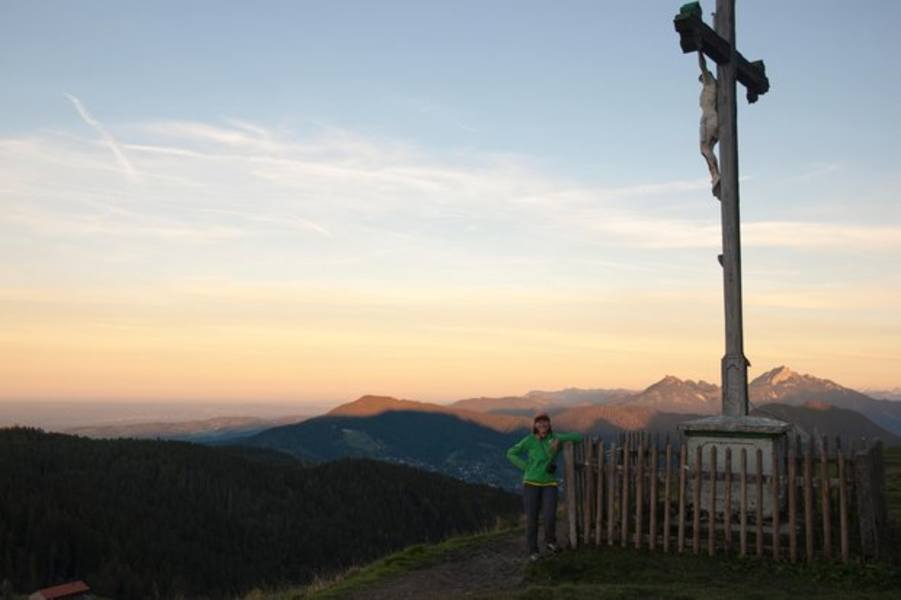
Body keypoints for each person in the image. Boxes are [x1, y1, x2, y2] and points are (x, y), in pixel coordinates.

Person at [506, 413, 582, 561]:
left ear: (549, 424)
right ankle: (532, 551)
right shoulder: (529, 440)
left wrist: (559, 439)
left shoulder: (555, 438)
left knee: (549, 516)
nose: (542, 425)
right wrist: (526, 466)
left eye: (545, 422)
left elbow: (578, 437)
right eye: (539, 423)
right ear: (535, 425)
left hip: (549, 483)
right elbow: (511, 453)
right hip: (531, 484)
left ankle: (550, 542)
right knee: (532, 518)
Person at [698, 51, 721, 199]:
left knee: (704, 148)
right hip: (714, 118)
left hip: (708, 118)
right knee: (708, 149)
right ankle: (715, 175)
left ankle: (715, 175)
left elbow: (702, 66)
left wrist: (699, 52)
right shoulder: (716, 88)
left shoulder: (709, 84)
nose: (701, 80)